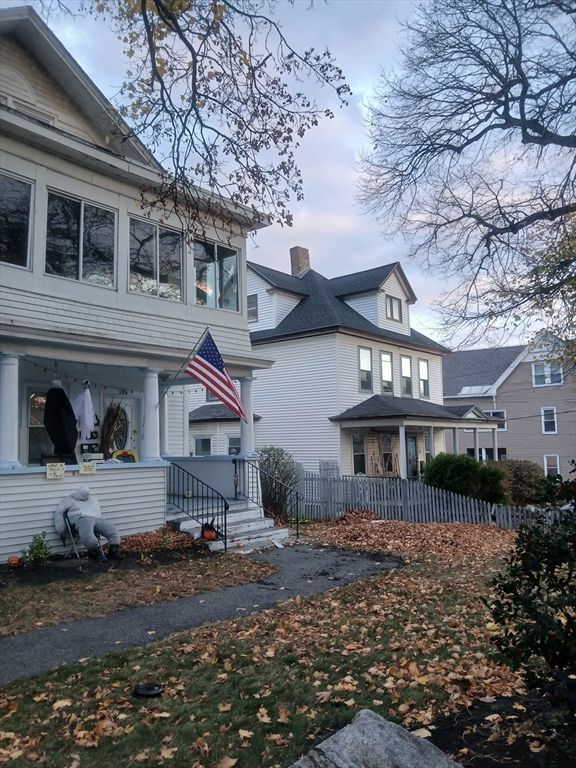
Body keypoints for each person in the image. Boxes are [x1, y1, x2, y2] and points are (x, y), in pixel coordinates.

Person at [54, 485, 122, 561]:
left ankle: (113, 552)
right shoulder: (68, 500)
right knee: (87, 531)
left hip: (95, 518)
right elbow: (59, 513)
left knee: (111, 530)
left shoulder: (92, 499)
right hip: (81, 518)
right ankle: (94, 553)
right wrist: (61, 530)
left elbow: (98, 512)